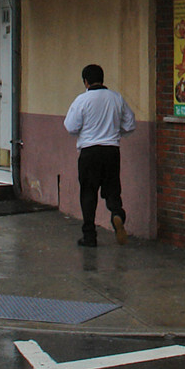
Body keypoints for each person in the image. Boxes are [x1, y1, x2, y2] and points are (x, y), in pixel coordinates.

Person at [63, 63, 135, 246]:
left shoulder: (82, 100)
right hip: (111, 151)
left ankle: (89, 236)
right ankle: (117, 214)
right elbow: (130, 124)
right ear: (102, 79)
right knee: (112, 190)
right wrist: (116, 133)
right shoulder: (116, 98)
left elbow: (70, 126)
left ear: (85, 81)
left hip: (89, 152)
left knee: (88, 193)